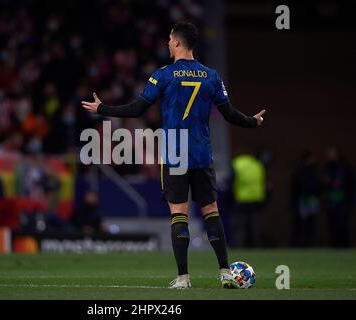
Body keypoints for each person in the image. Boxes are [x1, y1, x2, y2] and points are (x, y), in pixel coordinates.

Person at [81, 22, 265, 289]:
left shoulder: (164, 75)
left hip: (175, 153)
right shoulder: (212, 76)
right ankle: (225, 272)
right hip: (202, 153)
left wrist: (102, 109)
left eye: (169, 39)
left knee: (179, 214)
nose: (168, 43)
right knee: (211, 212)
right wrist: (253, 121)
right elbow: (230, 115)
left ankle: (183, 278)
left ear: (178, 43)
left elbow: (136, 110)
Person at [231, 152, 266, 247]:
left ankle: (240, 246)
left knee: (240, 226)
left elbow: (231, 180)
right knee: (255, 226)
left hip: (241, 199)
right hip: (256, 199)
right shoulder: (258, 165)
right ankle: (256, 247)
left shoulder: (237, 163)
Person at [322, 146, 354, 247]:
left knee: (342, 225)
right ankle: (334, 246)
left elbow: (350, 185)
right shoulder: (327, 168)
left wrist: (350, 200)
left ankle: (345, 246)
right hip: (331, 202)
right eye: (329, 153)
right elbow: (324, 184)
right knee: (332, 225)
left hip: (343, 202)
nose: (330, 155)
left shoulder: (344, 167)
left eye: (332, 153)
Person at [289, 151, 321, 247]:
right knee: (300, 224)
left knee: (311, 224)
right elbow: (295, 188)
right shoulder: (300, 171)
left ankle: (309, 243)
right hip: (302, 201)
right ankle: (299, 244)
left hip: (312, 200)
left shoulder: (315, 171)